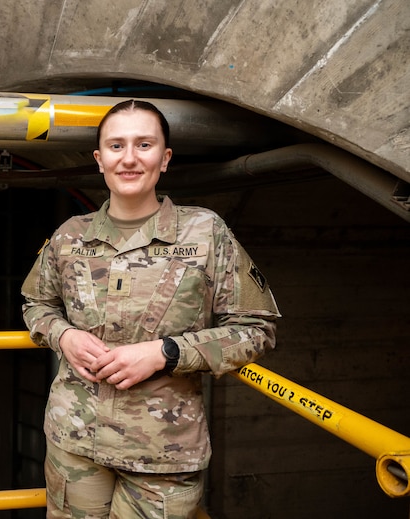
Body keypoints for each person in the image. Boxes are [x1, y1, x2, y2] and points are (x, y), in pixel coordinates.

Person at [21, 99, 280, 518]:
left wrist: (166, 352)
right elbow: (36, 304)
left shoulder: (205, 233)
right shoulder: (70, 236)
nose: (129, 158)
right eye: (116, 146)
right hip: (75, 441)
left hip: (163, 453)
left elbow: (256, 328)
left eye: (144, 145)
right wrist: (63, 335)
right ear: (99, 159)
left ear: (165, 159)